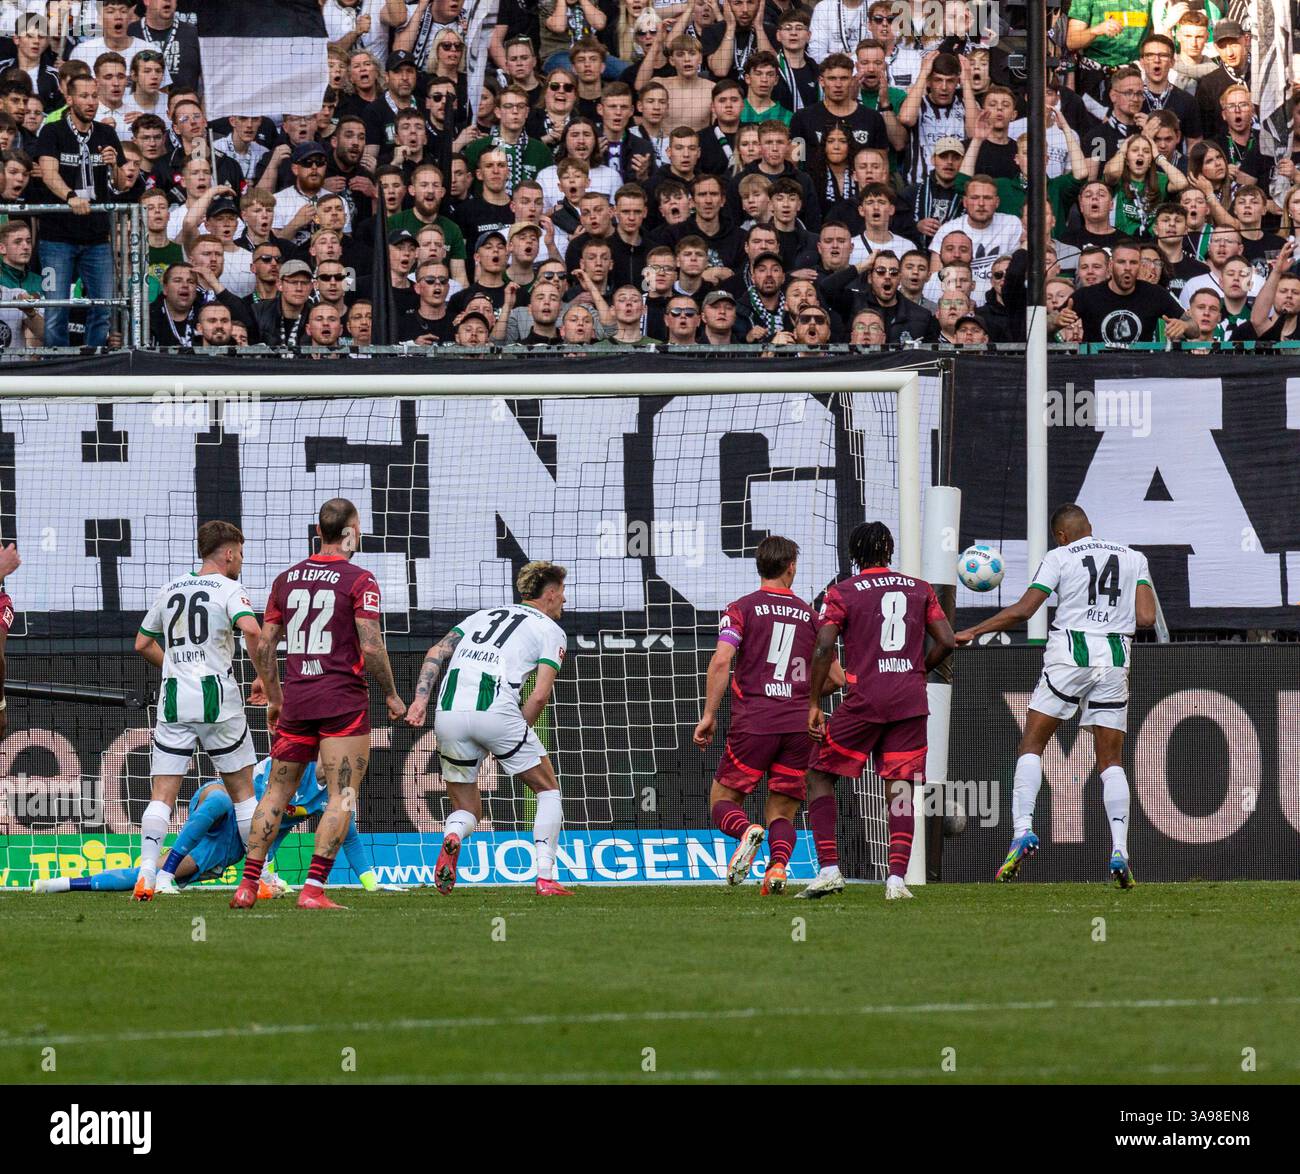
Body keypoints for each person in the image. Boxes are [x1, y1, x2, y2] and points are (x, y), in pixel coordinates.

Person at [955, 504, 1157, 889]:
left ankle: (1023, 831)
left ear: (1061, 535)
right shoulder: (1135, 558)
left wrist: (975, 630)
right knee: (1111, 761)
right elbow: (1146, 618)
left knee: (1032, 744)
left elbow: (1026, 609)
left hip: (1070, 655)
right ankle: (1120, 850)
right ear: (1090, 527)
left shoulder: (1060, 556)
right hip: (1115, 659)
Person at [231, 498, 406, 910]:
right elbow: (371, 644)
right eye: (358, 527)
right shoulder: (360, 580)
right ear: (348, 532)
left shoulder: (286, 578)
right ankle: (312, 891)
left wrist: (275, 698)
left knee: (275, 793)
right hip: (341, 700)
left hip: (298, 699)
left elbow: (265, 643)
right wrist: (392, 693)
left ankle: (247, 885)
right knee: (342, 795)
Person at [800, 522, 955, 900]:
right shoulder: (919, 589)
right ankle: (896, 880)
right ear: (890, 549)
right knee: (900, 787)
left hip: (866, 699)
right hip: (909, 698)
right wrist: (918, 668)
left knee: (819, 774)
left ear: (855, 555)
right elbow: (948, 640)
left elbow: (823, 648)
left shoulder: (842, 592)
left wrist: (814, 704)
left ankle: (830, 868)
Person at [405, 560, 573, 896]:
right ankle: (545, 877)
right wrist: (509, 736)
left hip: (447, 712)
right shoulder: (551, 630)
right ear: (550, 594)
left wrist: (421, 699)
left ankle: (451, 836)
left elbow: (437, 651)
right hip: (497, 709)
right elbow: (540, 696)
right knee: (548, 790)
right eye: (564, 593)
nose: (565, 601)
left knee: (466, 809)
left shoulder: (481, 616)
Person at [131, 521, 264, 900]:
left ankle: (147, 876)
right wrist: (265, 680)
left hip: (174, 700)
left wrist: (175, 667)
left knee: (162, 795)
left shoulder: (170, 587)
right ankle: (261, 879)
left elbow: (142, 642)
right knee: (243, 793)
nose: (241, 559)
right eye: (240, 552)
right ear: (228, 553)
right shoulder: (228, 587)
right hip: (218, 699)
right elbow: (252, 631)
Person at [33, 75, 126, 348]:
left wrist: (114, 166)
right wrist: (70, 196)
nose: (91, 102)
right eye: (84, 96)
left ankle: (94, 365)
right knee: (55, 308)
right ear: (70, 99)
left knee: (103, 307)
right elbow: (49, 175)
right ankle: (56, 365)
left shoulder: (106, 134)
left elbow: (121, 185)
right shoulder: (52, 131)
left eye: (94, 96)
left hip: (97, 238)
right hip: (56, 238)